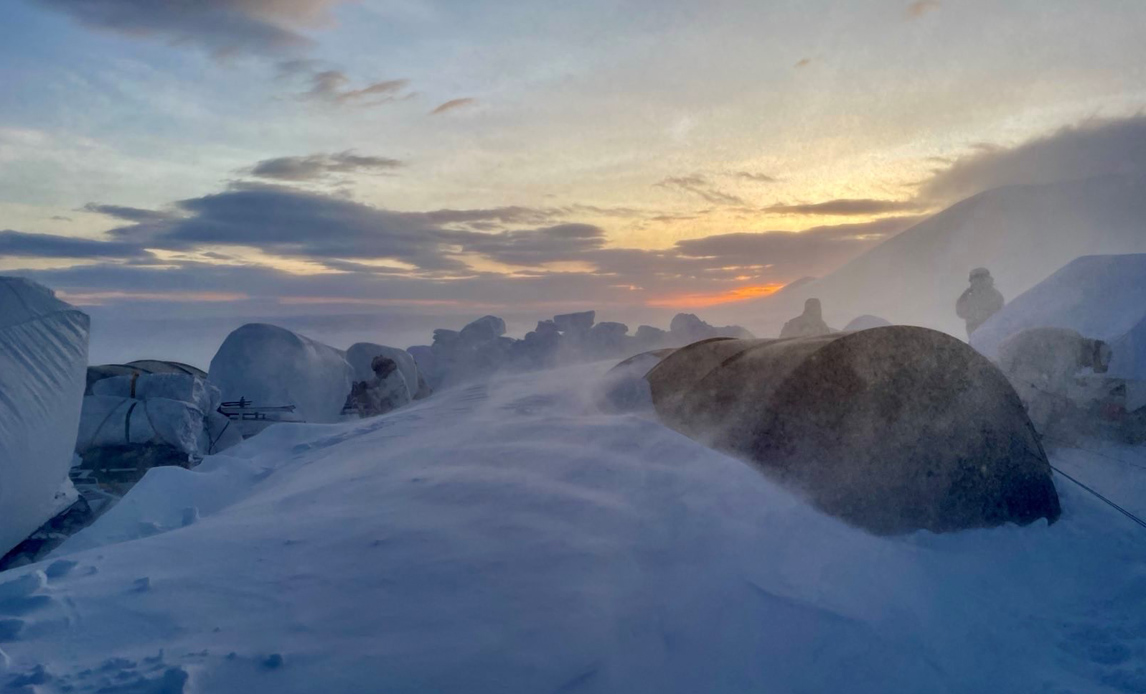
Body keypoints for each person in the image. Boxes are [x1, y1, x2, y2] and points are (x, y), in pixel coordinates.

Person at [996, 327, 1112, 433]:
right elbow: (1055, 386)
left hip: (1016, 352)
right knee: (1041, 398)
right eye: (1093, 364)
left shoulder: (1075, 342)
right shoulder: (1071, 353)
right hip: (1014, 359)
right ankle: (1033, 435)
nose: (1089, 366)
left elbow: (1058, 377)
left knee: (1042, 391)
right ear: (1092, 355)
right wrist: (1080, 400)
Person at [344, 356, 412, 418]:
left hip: (399, 409)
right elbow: (375, 381)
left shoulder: (394, 377)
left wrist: (365, 394)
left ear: (382, 366)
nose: (376, 372)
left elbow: (381, 394)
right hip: (391, 403)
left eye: (377, 369)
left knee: (375, 401)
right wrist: (365, 384)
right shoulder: (385, 373)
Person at [956, 267, 1004, 338]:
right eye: (975, 280)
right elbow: (960, 312)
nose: (978, 282)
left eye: (980, 279)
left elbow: (1000, 313)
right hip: (976, 332)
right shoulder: (968, 296)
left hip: (992, 331)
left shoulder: (994, 295)